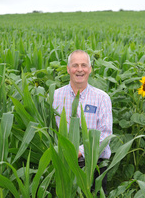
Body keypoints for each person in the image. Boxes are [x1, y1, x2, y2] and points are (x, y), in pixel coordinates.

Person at [52, 50, 112, 193]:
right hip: (63, 165)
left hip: (94, 165)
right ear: (68, 69)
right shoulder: (55, 96)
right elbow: (50, 129)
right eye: (75, 65)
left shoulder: (101, 98)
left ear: (90, 69)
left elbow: (105, 135)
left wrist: (79, 152)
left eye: (84, 65)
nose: (80, 69)